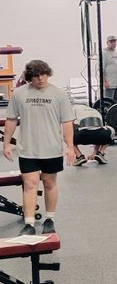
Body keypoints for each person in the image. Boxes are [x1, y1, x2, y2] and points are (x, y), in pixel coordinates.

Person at [2, 60, 76, 235]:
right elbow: (11, 120)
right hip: (28, 149)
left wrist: (70, 146)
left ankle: (49, 219)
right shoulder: (19, 94)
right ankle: (29, 223)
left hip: (51, 148)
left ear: (47, 74)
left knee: (50, 183)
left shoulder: (59, 95)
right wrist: (6, 143)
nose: (40, 78)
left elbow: (67, 122)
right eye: (36, 76)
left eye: (43, 74)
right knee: (30, 184)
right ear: (29, 77)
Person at [100, 36, 117, 103]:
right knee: (108, 102)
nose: (113, 43)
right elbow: (100, 68)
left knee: (115, 103)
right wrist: (104, 81)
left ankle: (114, 113)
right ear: (107, 43)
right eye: (111, 42)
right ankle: (107, 113)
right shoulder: (104, 53)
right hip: (109, 84)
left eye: (114, 41)